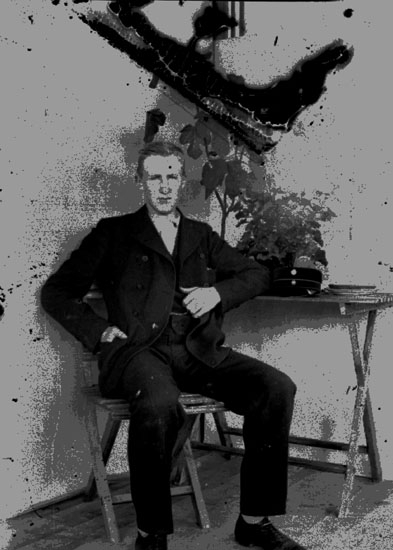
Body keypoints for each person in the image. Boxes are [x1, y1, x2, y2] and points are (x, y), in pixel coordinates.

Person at [41, 141, 305, 550]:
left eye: (171, 176)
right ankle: (152, 533)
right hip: (138, 352)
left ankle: (254, 521)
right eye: (154, 177)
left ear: (182, 181)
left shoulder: (200, 235)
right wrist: (98, 332)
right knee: (159, 402)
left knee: (276, 387)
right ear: (140, 181)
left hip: (196, 350)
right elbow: (57, 292)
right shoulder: (113, 233)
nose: (164, 186)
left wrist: (217, 293)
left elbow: (257, 274)